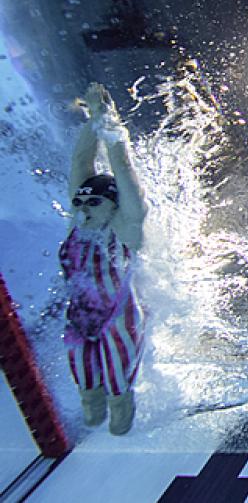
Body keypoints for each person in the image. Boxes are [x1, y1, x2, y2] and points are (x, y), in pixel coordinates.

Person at [62, 83, 147, 434]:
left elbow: (123, 170)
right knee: (90, 402)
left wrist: (110, 122)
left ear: (112, 204)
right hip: (79, 317)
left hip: (119, 317)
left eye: (92, 204)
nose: (82, 211)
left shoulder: (126, 225)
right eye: (79, 203)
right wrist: (93, 119)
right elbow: (81, 161)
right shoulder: (81, 223)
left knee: (117, 403)